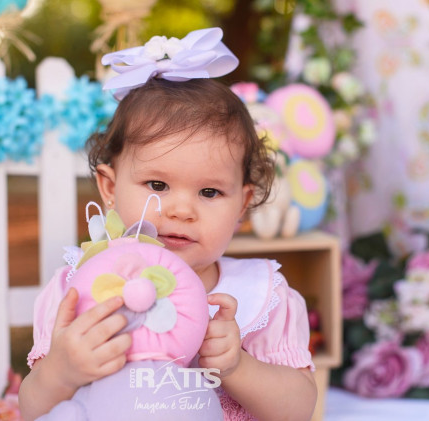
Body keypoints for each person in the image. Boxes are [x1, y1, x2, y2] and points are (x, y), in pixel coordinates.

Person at [19, 27, 317, 421]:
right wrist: (60, 371)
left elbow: (299, 409)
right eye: (157, 185)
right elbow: (32, 409)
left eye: (209, 192)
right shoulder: (78, 290)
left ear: (242, 204)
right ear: (110, 188)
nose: (181, 210)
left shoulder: (259, 296)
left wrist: (238, 367)